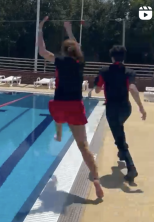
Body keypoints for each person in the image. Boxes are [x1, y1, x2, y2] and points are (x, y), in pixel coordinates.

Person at [38, 16, 104, 198]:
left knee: (57, 118)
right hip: (76, 106)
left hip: (59, 105)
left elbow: (42, 50)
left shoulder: (59, 61)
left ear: (63, 51)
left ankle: (58, 133)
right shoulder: (79, 63)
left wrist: (40, 29)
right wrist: (69, 29)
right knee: (83, 146)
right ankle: (96, 180)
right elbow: (78, 47)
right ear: (75, 51)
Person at [94, 45, 147, 182]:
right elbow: (133, 88)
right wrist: (141, 107)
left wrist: (98, 87)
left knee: (119, 139)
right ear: (123, 57)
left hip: (112, 109)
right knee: (119, 129)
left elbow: (98, 89)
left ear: (112, 57)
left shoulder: (104, 71)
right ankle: (122, 154)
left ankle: (131, 168)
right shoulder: (129, 72)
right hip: (125, 109)